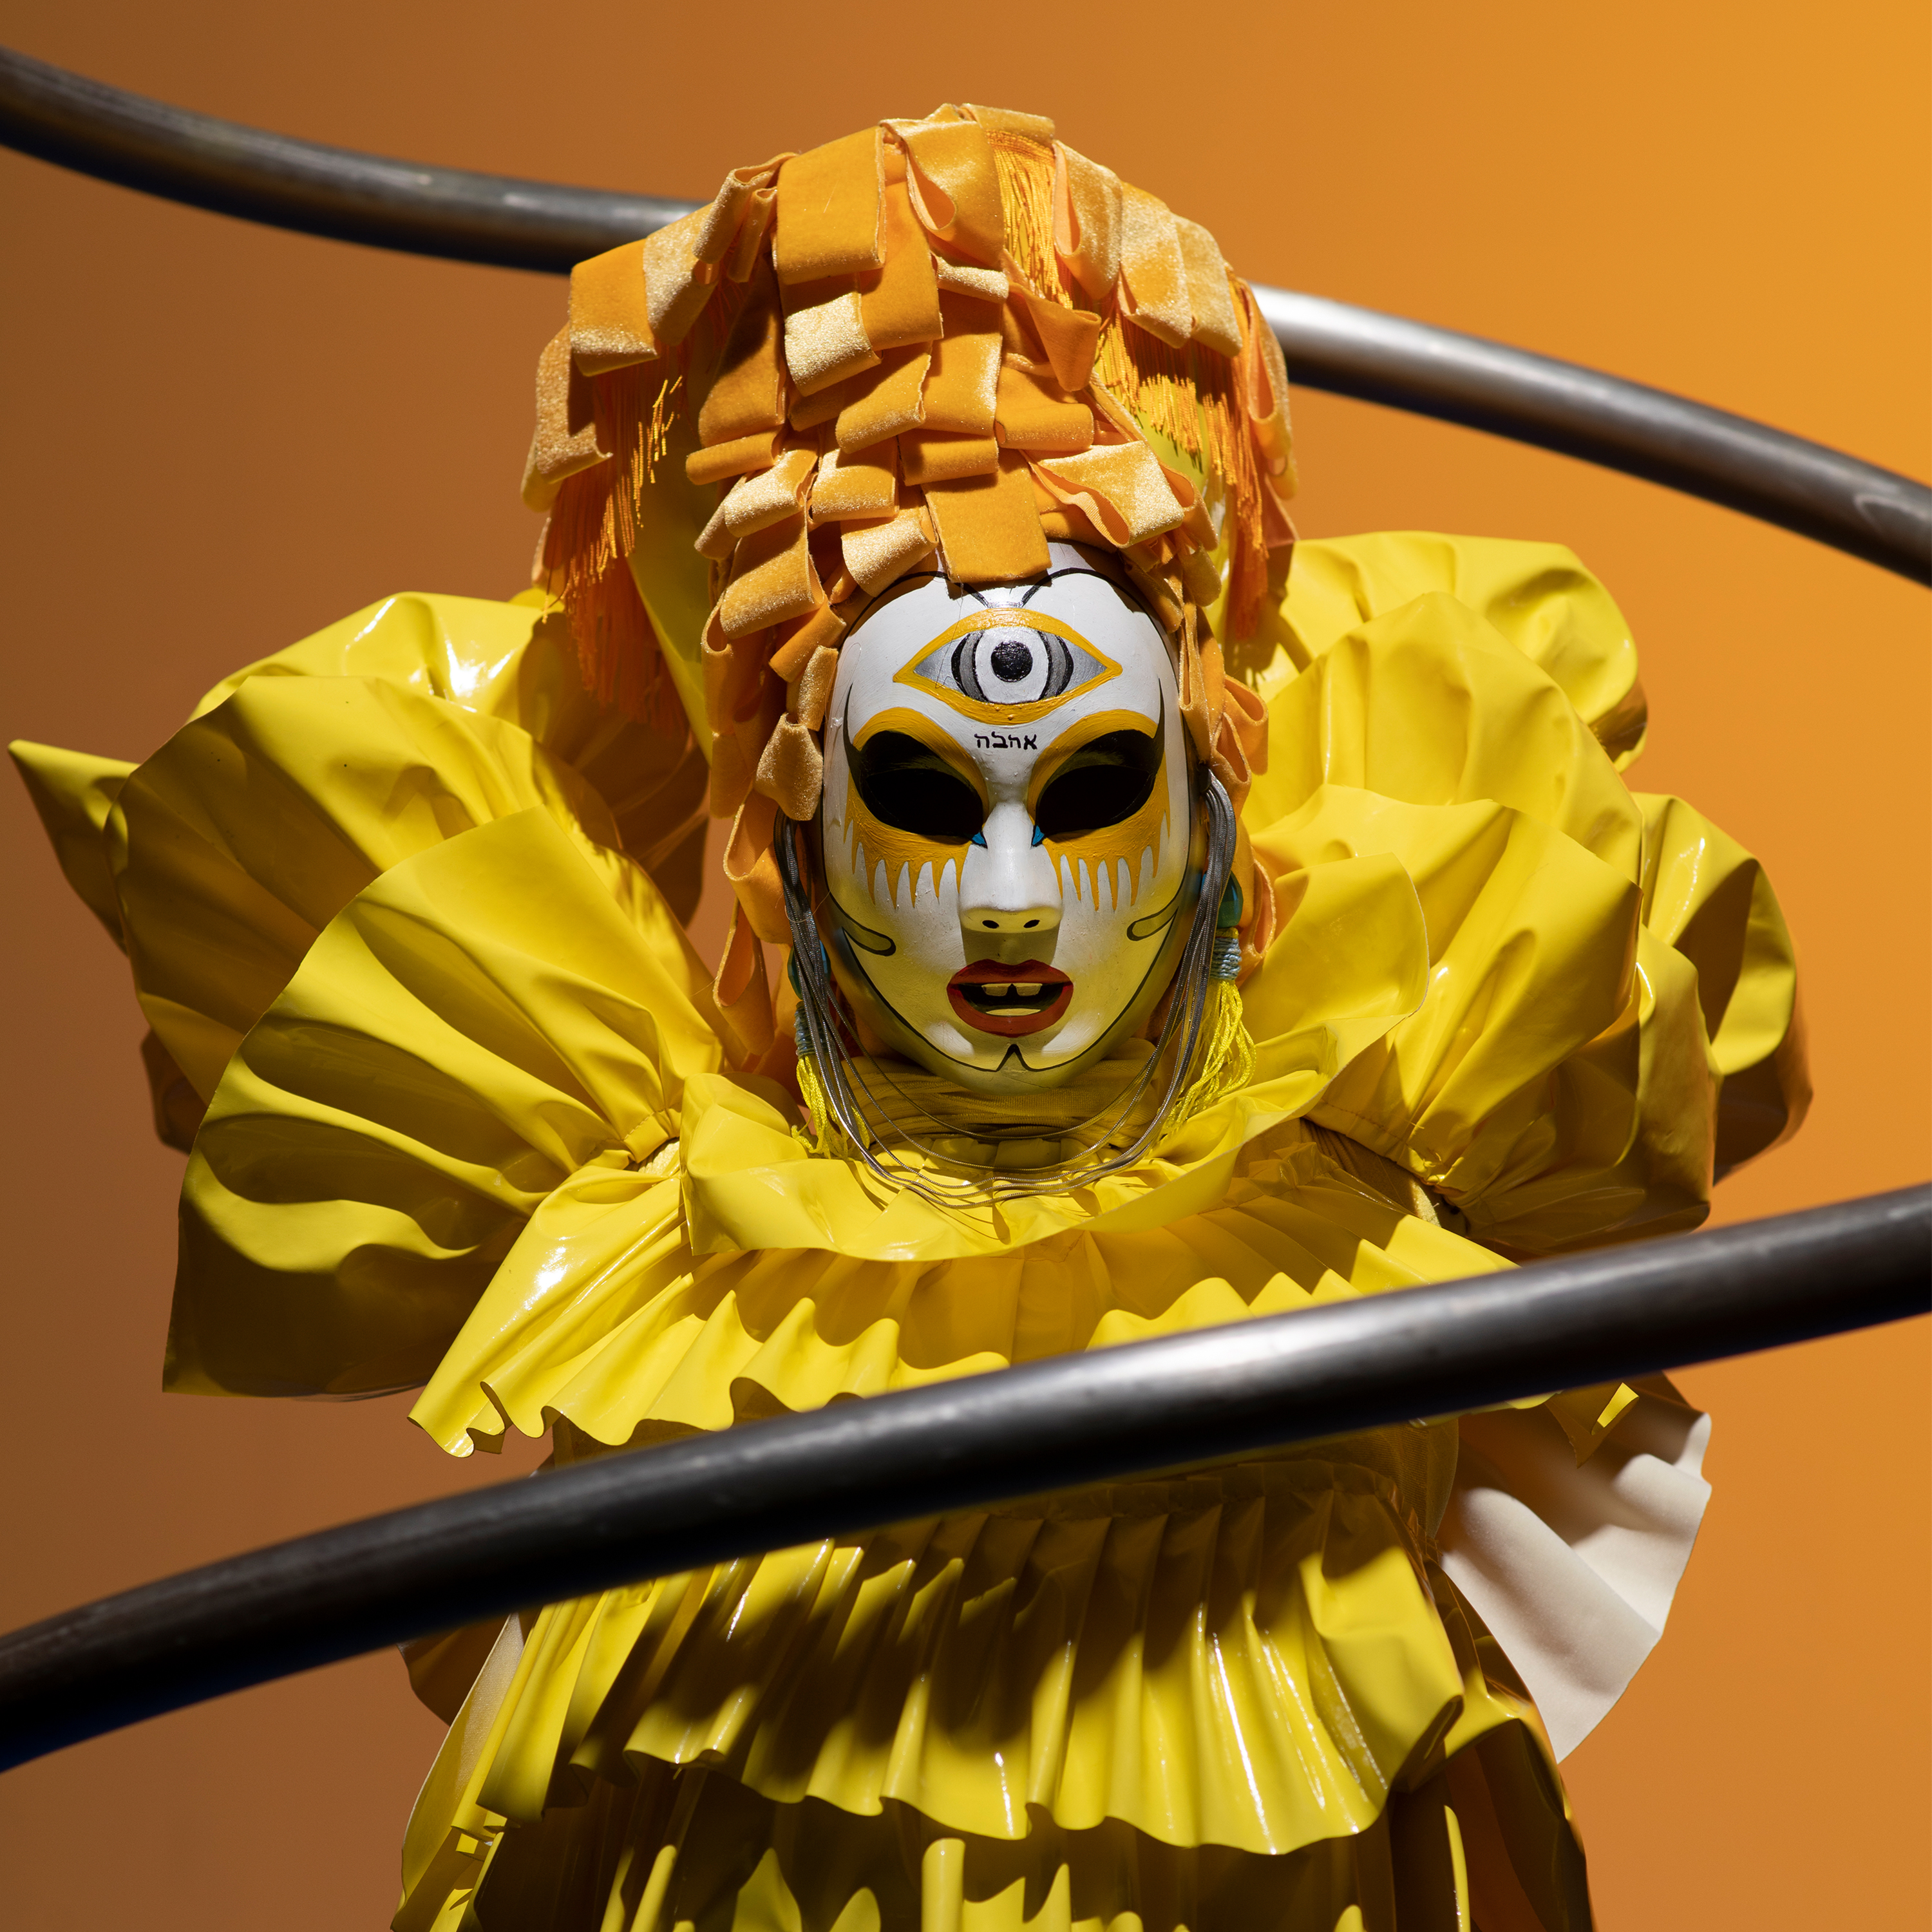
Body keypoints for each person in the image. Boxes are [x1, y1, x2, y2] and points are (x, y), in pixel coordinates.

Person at [12, 102, 1807, 1931]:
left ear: (1208, 791)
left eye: (1091, 787)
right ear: (790, 822)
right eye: (927, 798)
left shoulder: (1407, 1144)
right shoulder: (629, 1226)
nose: (1011, 897)